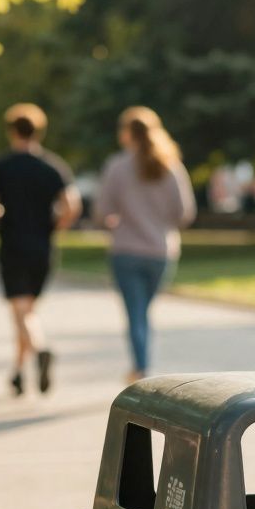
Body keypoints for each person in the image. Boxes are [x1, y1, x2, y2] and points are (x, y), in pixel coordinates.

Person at [0, 103, 81, 396]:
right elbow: (72, 206)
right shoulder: (53, 167)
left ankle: (40, 350)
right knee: (27, 311)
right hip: (42, 247)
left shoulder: (1, 167)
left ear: (12, 131)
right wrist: (55, 226)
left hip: (12, 245)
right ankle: (18, 373)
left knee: (22, 312)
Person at [93, 107, 196, 384]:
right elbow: (185, 213)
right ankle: (141, 366)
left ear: (128, 133)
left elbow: (102, 213)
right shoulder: (171, 165)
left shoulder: (117, 166)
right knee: (142, 312)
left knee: (136, 313)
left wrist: (116, 221)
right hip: (161, 252)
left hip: (126, 250)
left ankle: (140, 369)